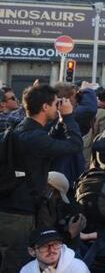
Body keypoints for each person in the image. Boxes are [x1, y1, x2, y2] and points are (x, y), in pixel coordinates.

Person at [0, 84, 83, 273]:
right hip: (19, 215)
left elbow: (47, 143)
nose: (58, 107)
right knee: (17, 264)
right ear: (45, 107)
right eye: (55, 104)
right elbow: (75, 145)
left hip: (10, 208)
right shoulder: (35, 138)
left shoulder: (22, 128)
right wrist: (69, 117)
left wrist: (61, 121)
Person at [21, 227, 89, 273]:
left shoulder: (78, 267)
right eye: (44, 246)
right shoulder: (27, 270)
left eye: (56, 244)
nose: (51, 250)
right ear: (32, 251)